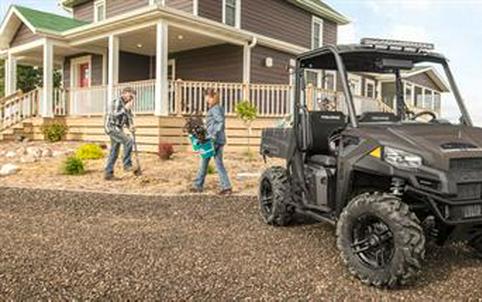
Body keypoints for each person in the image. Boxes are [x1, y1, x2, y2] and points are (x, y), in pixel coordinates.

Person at [192, 89, 233, 195]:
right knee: (218, 163)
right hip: (219, 139)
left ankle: (198, 185)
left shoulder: (214, 108)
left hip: (213, 140)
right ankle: (226, 187)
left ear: (210, 97)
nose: (205, 99)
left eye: (206, 97)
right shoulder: (218, 108)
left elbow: (220, 121)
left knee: (204, 160)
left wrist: (213, 134)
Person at [104, 87, 137, 180]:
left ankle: (108, 173)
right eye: (130, 96)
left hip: (118, 128)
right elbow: (114, 115)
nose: (131, 99)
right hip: (111, 127)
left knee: (114, 151)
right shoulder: (117, 102)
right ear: (125, 93)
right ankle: (127, 165)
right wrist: (125, 109)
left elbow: (127, 118)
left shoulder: (127, 106)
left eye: (133, 97)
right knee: (128, 141)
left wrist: (131, 126)